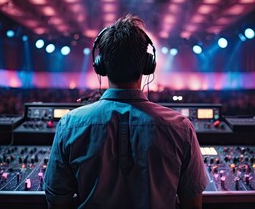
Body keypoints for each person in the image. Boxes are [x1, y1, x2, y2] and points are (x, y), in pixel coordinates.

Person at [44, 14, 208, 209]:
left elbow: (57, 201)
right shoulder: (180, 127)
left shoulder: (70, 124)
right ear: (148, 64)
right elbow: (193, 204)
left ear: (101, 66)